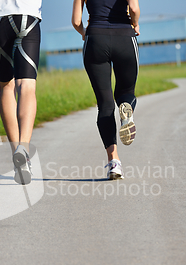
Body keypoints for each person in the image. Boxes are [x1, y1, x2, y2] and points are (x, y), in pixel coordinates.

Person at [72, 0, 140, 180]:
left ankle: (114, 162)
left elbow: (76, 21)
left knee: (105, 104)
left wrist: (84, 33)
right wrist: (136, 23)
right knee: (126, 91)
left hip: (96, 38)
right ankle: (126, 107)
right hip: (125, 37)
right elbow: (133, 8)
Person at [0, 0, 42, 185]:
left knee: (6, 85)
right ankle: (24, 147)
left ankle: (17, 154)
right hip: (26, 15)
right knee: (26, 85)